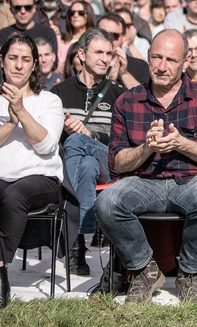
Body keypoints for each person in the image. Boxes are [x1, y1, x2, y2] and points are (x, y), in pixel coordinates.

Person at [95, 29, 197, 304]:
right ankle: (145, 269)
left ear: (185, 62)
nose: (162, 66)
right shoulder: (127, 101)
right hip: (145, 181)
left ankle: (190, 274)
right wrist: (147, 148)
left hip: (192, 180)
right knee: (106, 202)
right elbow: (117, 162)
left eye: (170, 59)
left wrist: (181, 143)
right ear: (147, 57)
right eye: (156, 57)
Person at [0, 33, 65, 307]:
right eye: (13, 58)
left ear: (35, 65)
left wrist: (21, 112)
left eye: (25, 59)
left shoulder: (49, 101)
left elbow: (47, 145)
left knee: (14, 196)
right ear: (1, 61)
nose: (19, 65)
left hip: (39, 178)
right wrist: (9, 125)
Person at [50, 28, 126, 276]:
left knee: (77, 142)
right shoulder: (58, 94)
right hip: (76, 168)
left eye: (109, 53)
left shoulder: (119, 95)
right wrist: (62, 128)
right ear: (81, 54)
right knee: (86, 166)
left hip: (110, 165)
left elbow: (123, 140)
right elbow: (48, 138)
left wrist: (90, 135)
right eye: (99, 52)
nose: (105, 58)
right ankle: (82, 237)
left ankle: (73, 242)